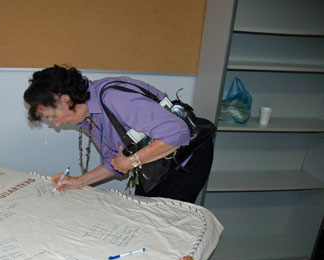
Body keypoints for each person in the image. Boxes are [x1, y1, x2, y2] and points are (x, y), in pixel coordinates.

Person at [23, 65, 214, 203]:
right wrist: (78, 182)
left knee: (163, 221)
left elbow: (178, 133)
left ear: (65, 100)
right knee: (144, 211)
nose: (56, 124)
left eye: (53, 116)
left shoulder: (114, 98)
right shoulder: (89, 116)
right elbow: (114, 162)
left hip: (186, 156)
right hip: (155, 161)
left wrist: (130, 162)